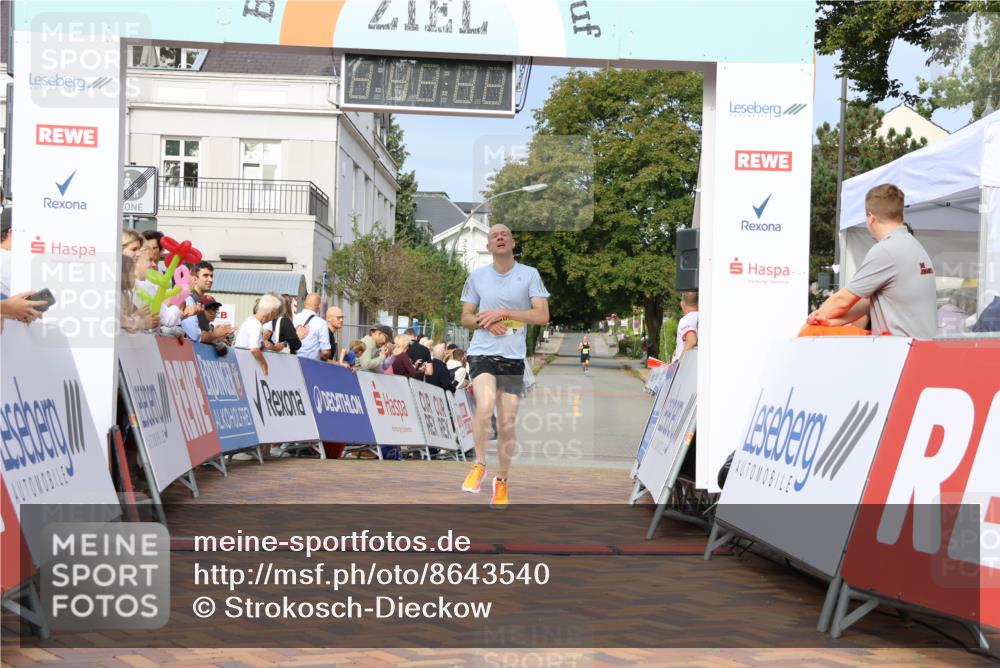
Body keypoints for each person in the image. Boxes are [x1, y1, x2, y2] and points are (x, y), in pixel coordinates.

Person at [460, 224, 550, 509]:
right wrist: (486, 321)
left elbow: (542, 315)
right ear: (488, 247)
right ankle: (479, 463)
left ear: (512, 242)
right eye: (493, 235)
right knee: (484, 406)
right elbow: (466, 317)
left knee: (508, 422)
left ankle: (501, 481)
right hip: (482, 353)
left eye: (504, 234)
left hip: (512, 358)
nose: (499, 237)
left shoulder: (529, 275)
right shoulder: (477, 277)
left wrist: (506, 313)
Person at [807, 184, 936, 338]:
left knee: (807, 331)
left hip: (899, 350)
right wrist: (832, 321)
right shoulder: (914, 246)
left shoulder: (886, 250)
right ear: (900, 214)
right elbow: (868, 301)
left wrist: (816, 317)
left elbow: (842, 300)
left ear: (870, 217)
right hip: (918, 349)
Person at [235, 293, 282, 375]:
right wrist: (264, 364)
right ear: (271, 312)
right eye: (276, 314)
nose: (275, 317)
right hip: (245, 366)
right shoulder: (256, 325)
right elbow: (254, 348)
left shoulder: (251, 320)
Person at [292, 293, 329, 361]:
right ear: (319, 306)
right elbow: (325, 352)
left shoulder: (293, 319)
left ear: (304, 303)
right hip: (311, 364)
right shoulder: (321, 323)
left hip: (294, 362)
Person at [673, 291, 699, 362]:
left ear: (682, 303)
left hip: (686, 368)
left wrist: (678, 364)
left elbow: (691, 341)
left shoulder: (686, 319)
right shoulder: (702, 318)